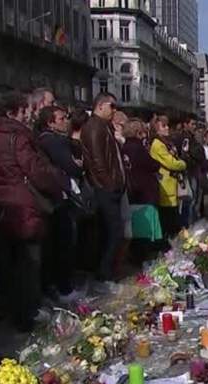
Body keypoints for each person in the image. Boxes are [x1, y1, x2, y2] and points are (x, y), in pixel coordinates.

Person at [0, 92, 64, 331]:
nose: (30, 114)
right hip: (25, 203)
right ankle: (28, 313)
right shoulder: (18, 137)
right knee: (30, 261)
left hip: (6, 201)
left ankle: (21, 310)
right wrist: (56, 183)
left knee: (17, 261)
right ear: (13, 113)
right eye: (25, 111)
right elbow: (36, 171)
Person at [36, 105, 83, 303]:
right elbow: (71, 165)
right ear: (50, 122)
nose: (66, 121)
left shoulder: (56, 140)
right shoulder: (50, 141)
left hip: (60, 196)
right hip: (58, 197)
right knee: (63, 243)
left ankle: (61, 286)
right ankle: (64, 288)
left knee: (63, 243)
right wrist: (77, 165)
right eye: (62, 118)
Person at [80, 92, 126, 283]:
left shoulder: (103, 126)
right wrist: (110, 185)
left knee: (113, 232)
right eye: (111, 106)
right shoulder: (94, 127)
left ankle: (107, 271)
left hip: (111, 186)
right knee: (113, 232)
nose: (114, 110)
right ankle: (104, 274)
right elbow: (98, 162)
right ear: (100, 106)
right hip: (105, 188)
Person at [150, 115, 187, 239]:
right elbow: (171, 163)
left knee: (173, 218)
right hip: (165, 186)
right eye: (164, 126)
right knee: (169, 221)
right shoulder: (157, 144)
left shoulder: (166, 142)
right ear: (156, 129)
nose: (167, 128)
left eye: (167, 126)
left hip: (171, 185)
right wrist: (182, 164)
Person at [124, 118, 161, 206]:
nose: (145, 135)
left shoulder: (123, 147)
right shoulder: (138, 148)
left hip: (130, 189)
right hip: (144, 190)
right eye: (143, 132)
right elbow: (153, 165)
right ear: (138, 133)